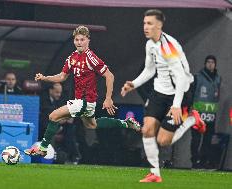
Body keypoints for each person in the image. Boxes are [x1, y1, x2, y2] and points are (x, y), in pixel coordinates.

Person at [24, 25, 140, 156]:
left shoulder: (91, 57)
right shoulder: (72, 57)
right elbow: (62, 76)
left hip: (85, 101)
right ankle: (125, 123)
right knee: (92, 125)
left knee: (53, 116)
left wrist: (108, 98)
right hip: (82, 102)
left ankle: (43, 148)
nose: (79, 42)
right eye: (77, 39)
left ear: (88, 40)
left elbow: (109, 75)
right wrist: (45, 78)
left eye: (82, 39)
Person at [121, 9, 206, 182]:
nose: (146, 27)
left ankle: (192, 119)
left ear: (159, 25)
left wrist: (176, 105)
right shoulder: (150, 44)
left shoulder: (169, 48)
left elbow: (181, 78)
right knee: (147, 130)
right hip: (160, 93)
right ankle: (155, 174)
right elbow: (150, 69)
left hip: (181, 94)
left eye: (150, 23)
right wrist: (134, 84)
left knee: (164, 140)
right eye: (144, 23)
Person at [191, 55, 221, 168]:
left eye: (212, 62)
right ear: (205, 64)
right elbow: (192, 94)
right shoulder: (198, 77)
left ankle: (203, 161)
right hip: (198, 114)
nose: (210, 64)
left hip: (211, 115)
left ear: (215, 64)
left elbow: (217, 96)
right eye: (208, 62)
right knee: (196, 139)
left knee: (207, 140)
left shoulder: (218, 78)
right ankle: (195, 161)